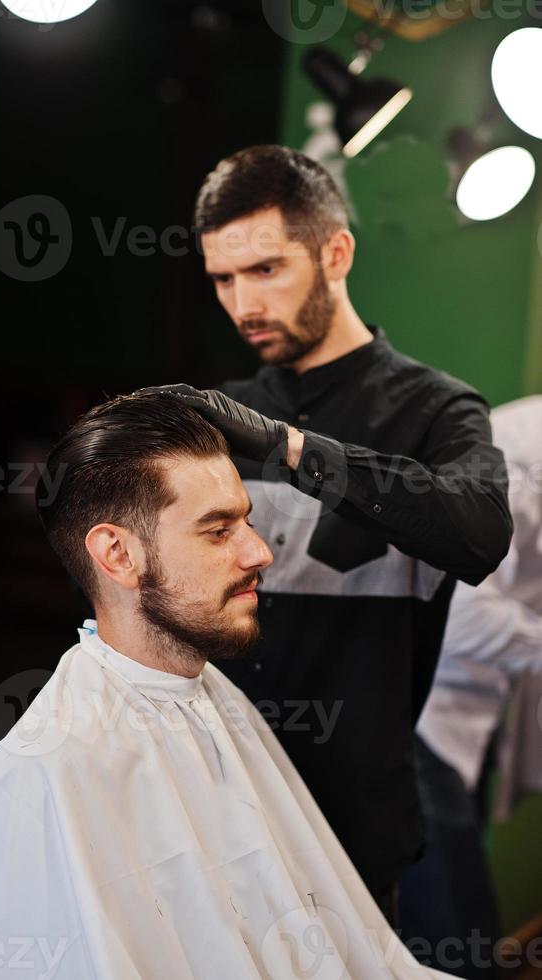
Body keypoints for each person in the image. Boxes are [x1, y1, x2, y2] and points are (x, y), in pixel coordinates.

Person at [0, 392, 455, 980]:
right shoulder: (46, 770)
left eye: (248, 521)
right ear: (118, 555)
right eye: (217, 531)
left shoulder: (215, 695)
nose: (259, 552)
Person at [144, 144, 513, 920]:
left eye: (267, 269)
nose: (243, 303)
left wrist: (288, 449)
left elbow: (479, 534)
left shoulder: (438, 411)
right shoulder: (217, 412)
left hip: (354, 821)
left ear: (335, 252)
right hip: (213, 811)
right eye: (223, 278)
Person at [399, 395, 542, 979]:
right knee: (455, 939)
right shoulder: (515, 458)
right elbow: (463, 615)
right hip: (422, 716)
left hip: (478, 721)